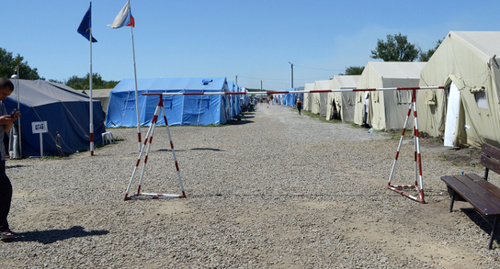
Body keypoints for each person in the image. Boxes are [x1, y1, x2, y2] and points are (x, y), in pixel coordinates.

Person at [0, 78, 21, 240]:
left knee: (3, 189)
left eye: (7, 95)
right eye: (3, 94)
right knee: (4, 188)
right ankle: (2, 227)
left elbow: (5, 131)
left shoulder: (1, 104)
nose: (5, 97)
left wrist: (10, 121)